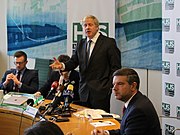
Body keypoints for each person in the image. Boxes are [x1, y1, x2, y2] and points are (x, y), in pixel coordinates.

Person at [50, 15, 121, 113]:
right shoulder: (81, 43)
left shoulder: (108, 43)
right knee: (84, 120)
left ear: (97, 27)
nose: (87, 27)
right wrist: (62, 66)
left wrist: (108, 86)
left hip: (101, 92)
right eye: (85, 25)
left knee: (99, 122)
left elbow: (116, 68)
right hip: (83, 91)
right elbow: (73, 62)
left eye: (90, 25)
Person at [91, 68, 162, 135]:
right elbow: (125, 131)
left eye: (120, 84)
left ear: (133, 86)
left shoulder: (138, 110)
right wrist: (106, 133)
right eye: (113, 84)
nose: (114, 88)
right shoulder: (136, 101)